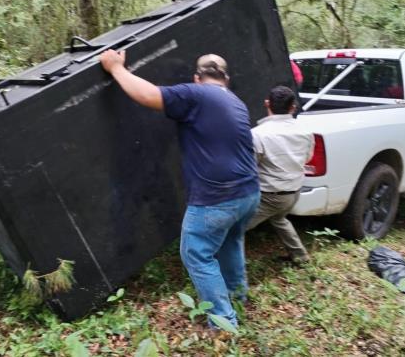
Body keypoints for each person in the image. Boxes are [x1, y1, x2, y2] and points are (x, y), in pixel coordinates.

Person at [99, 50, 260, 327]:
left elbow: (148, 95)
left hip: (217, 199)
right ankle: (238, 295)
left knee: (196, 251)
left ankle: (224, 322)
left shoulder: (196, 94)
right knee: (230, 242)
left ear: (198, 79)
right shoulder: (236, 102)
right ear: (227, 79)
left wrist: (116, 69)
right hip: (248, 193)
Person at [247, 85, 314, 263]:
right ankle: (300, 256)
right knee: (279, 218)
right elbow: (308, 157)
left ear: (267, 103)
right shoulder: (306, 131)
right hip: (294, 191)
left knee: (234, 228)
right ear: (293, 107)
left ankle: (233, 274)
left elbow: (250, 167)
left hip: (270, 196)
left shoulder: (257, 134)